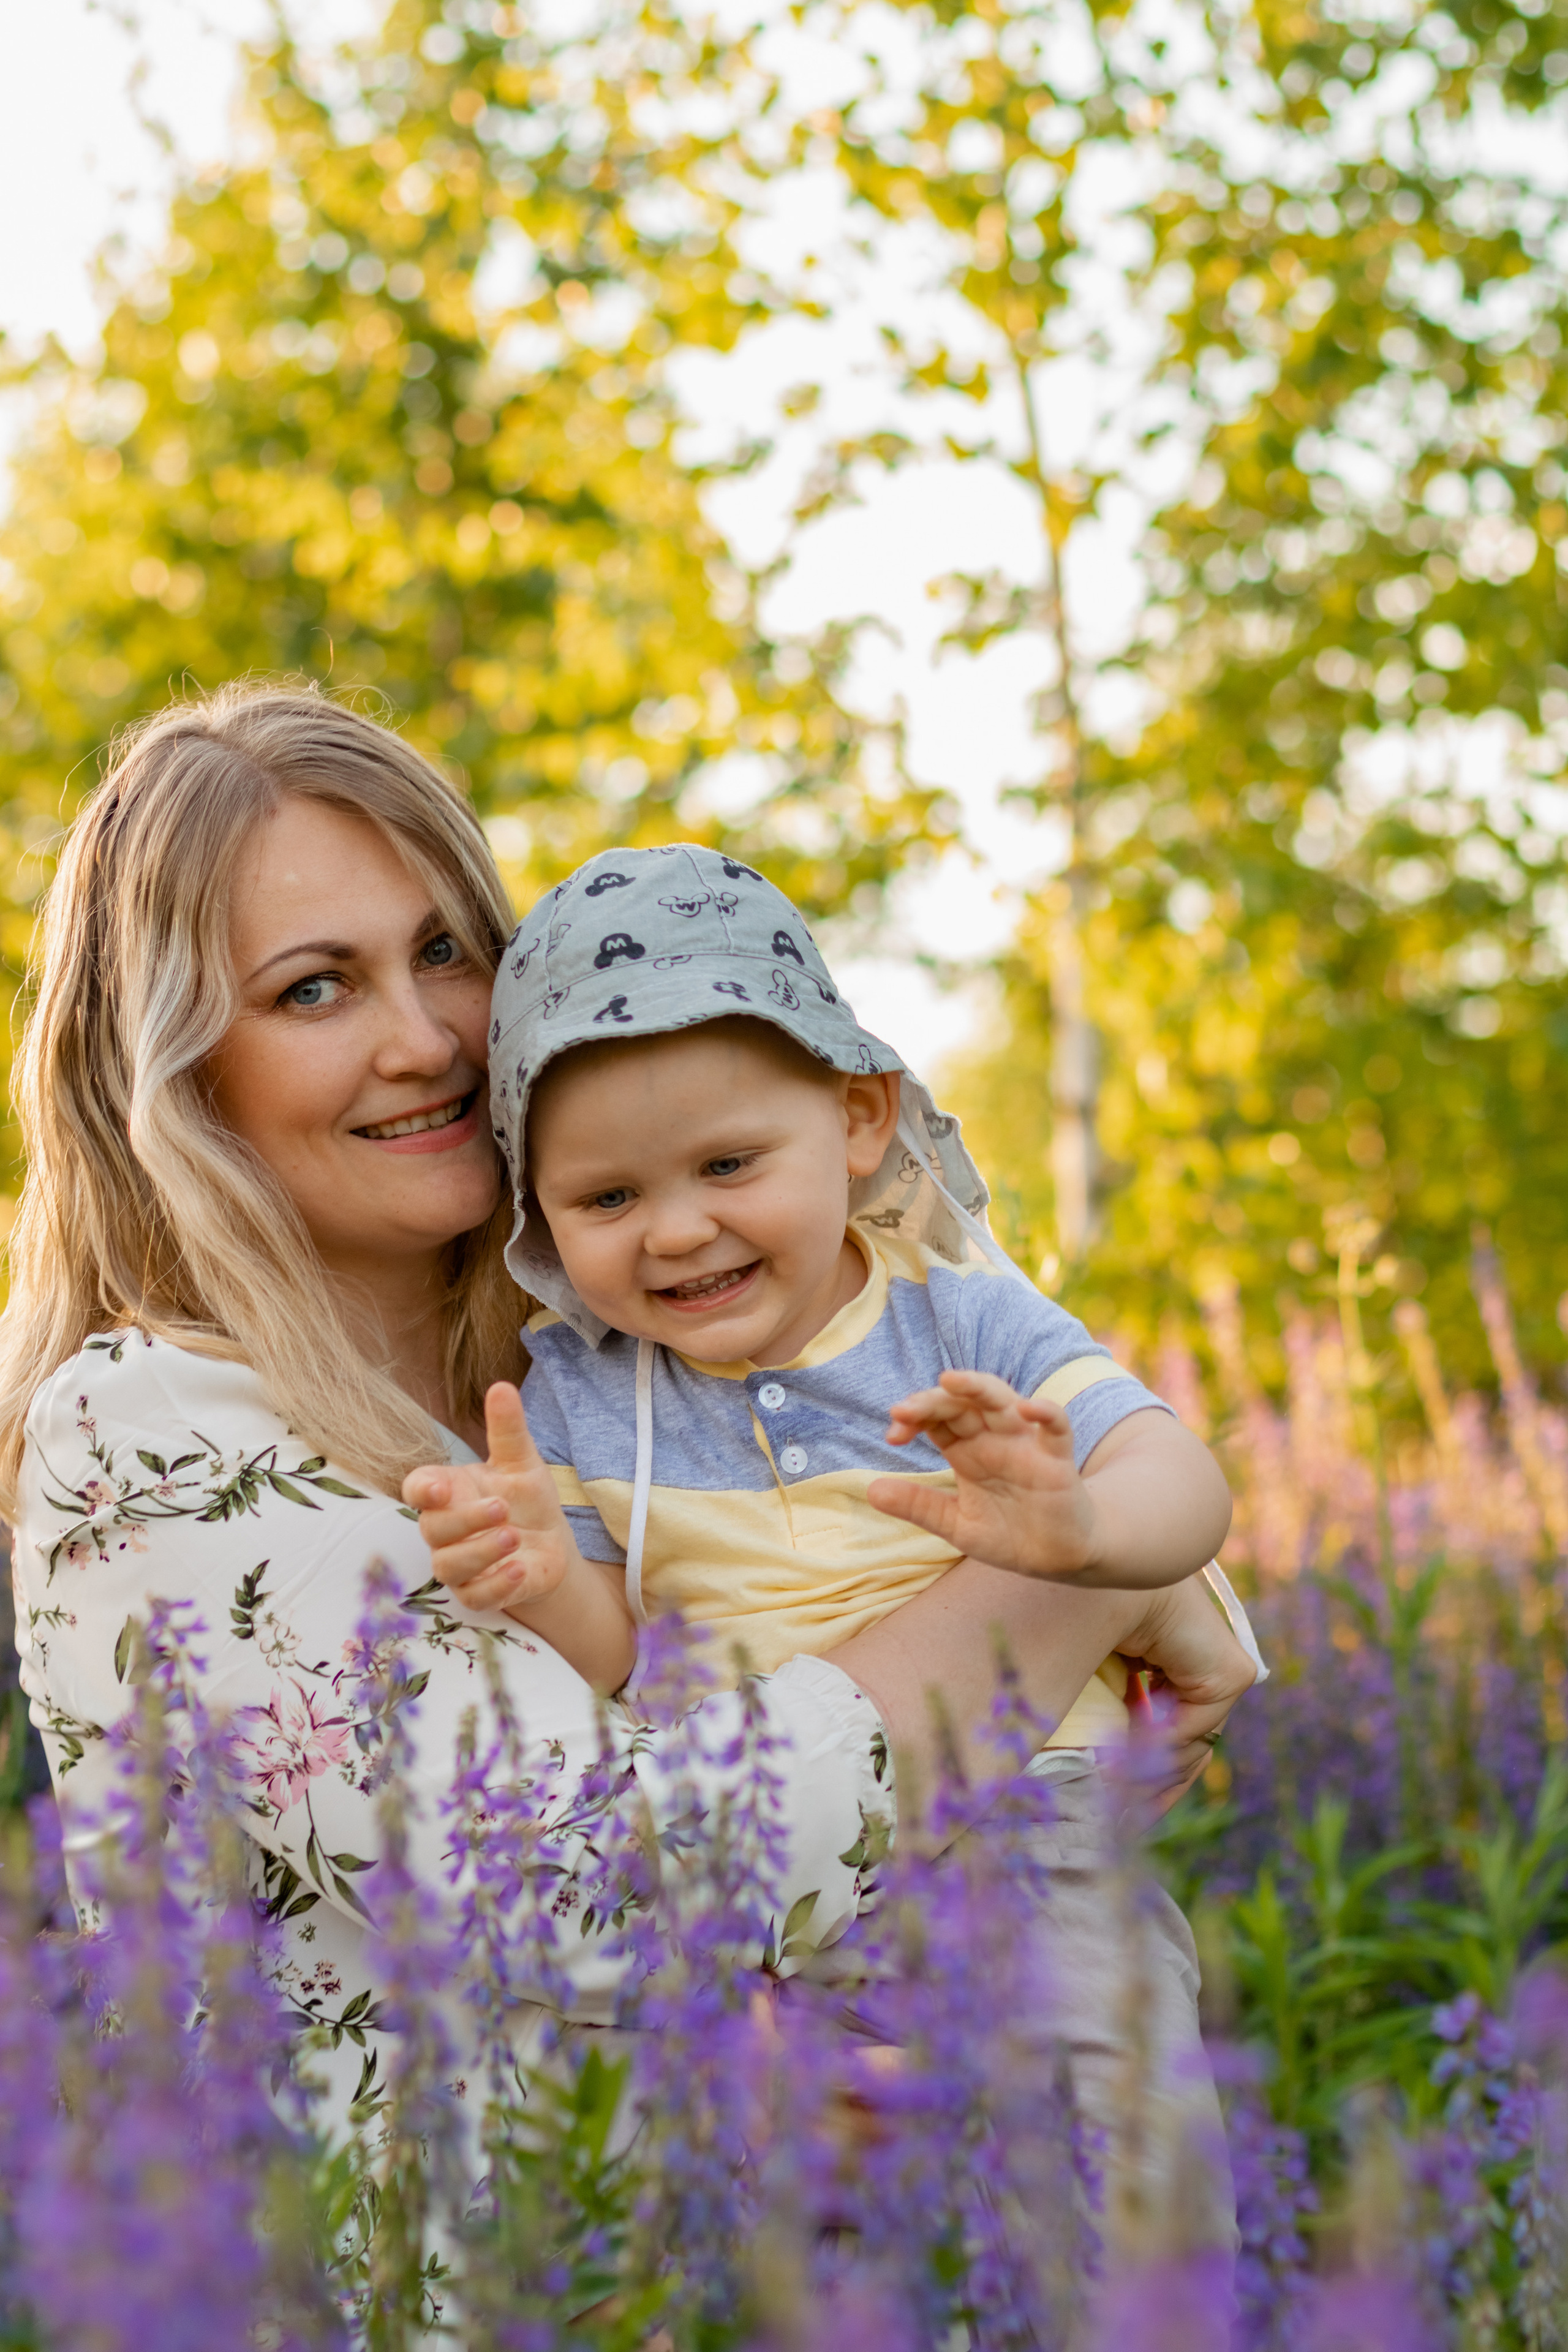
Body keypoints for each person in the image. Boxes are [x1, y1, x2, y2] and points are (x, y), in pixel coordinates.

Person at [0, 686, 1252, 2180]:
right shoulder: (147, 1433)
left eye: (444, 952)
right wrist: (1075, 1586)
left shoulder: (595, 1360)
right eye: (315, 989)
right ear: (177, 1070)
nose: (424, 1040)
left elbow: (879, 1532)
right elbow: (594, 1885)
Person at [405, 840, 1265, 2243]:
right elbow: (628, 1651)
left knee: (1104, 2172)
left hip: (1024, 1839)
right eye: (607, 1200)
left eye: (728, 1164)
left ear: (858, 1120)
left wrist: (1092, 1530)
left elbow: (1183, 1479)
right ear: (540, 1214)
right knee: (841, 2234)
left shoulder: (958, 1317)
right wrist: (543, 1576)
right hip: (792, 1888)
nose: (676, 1231)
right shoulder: (582, 1390)